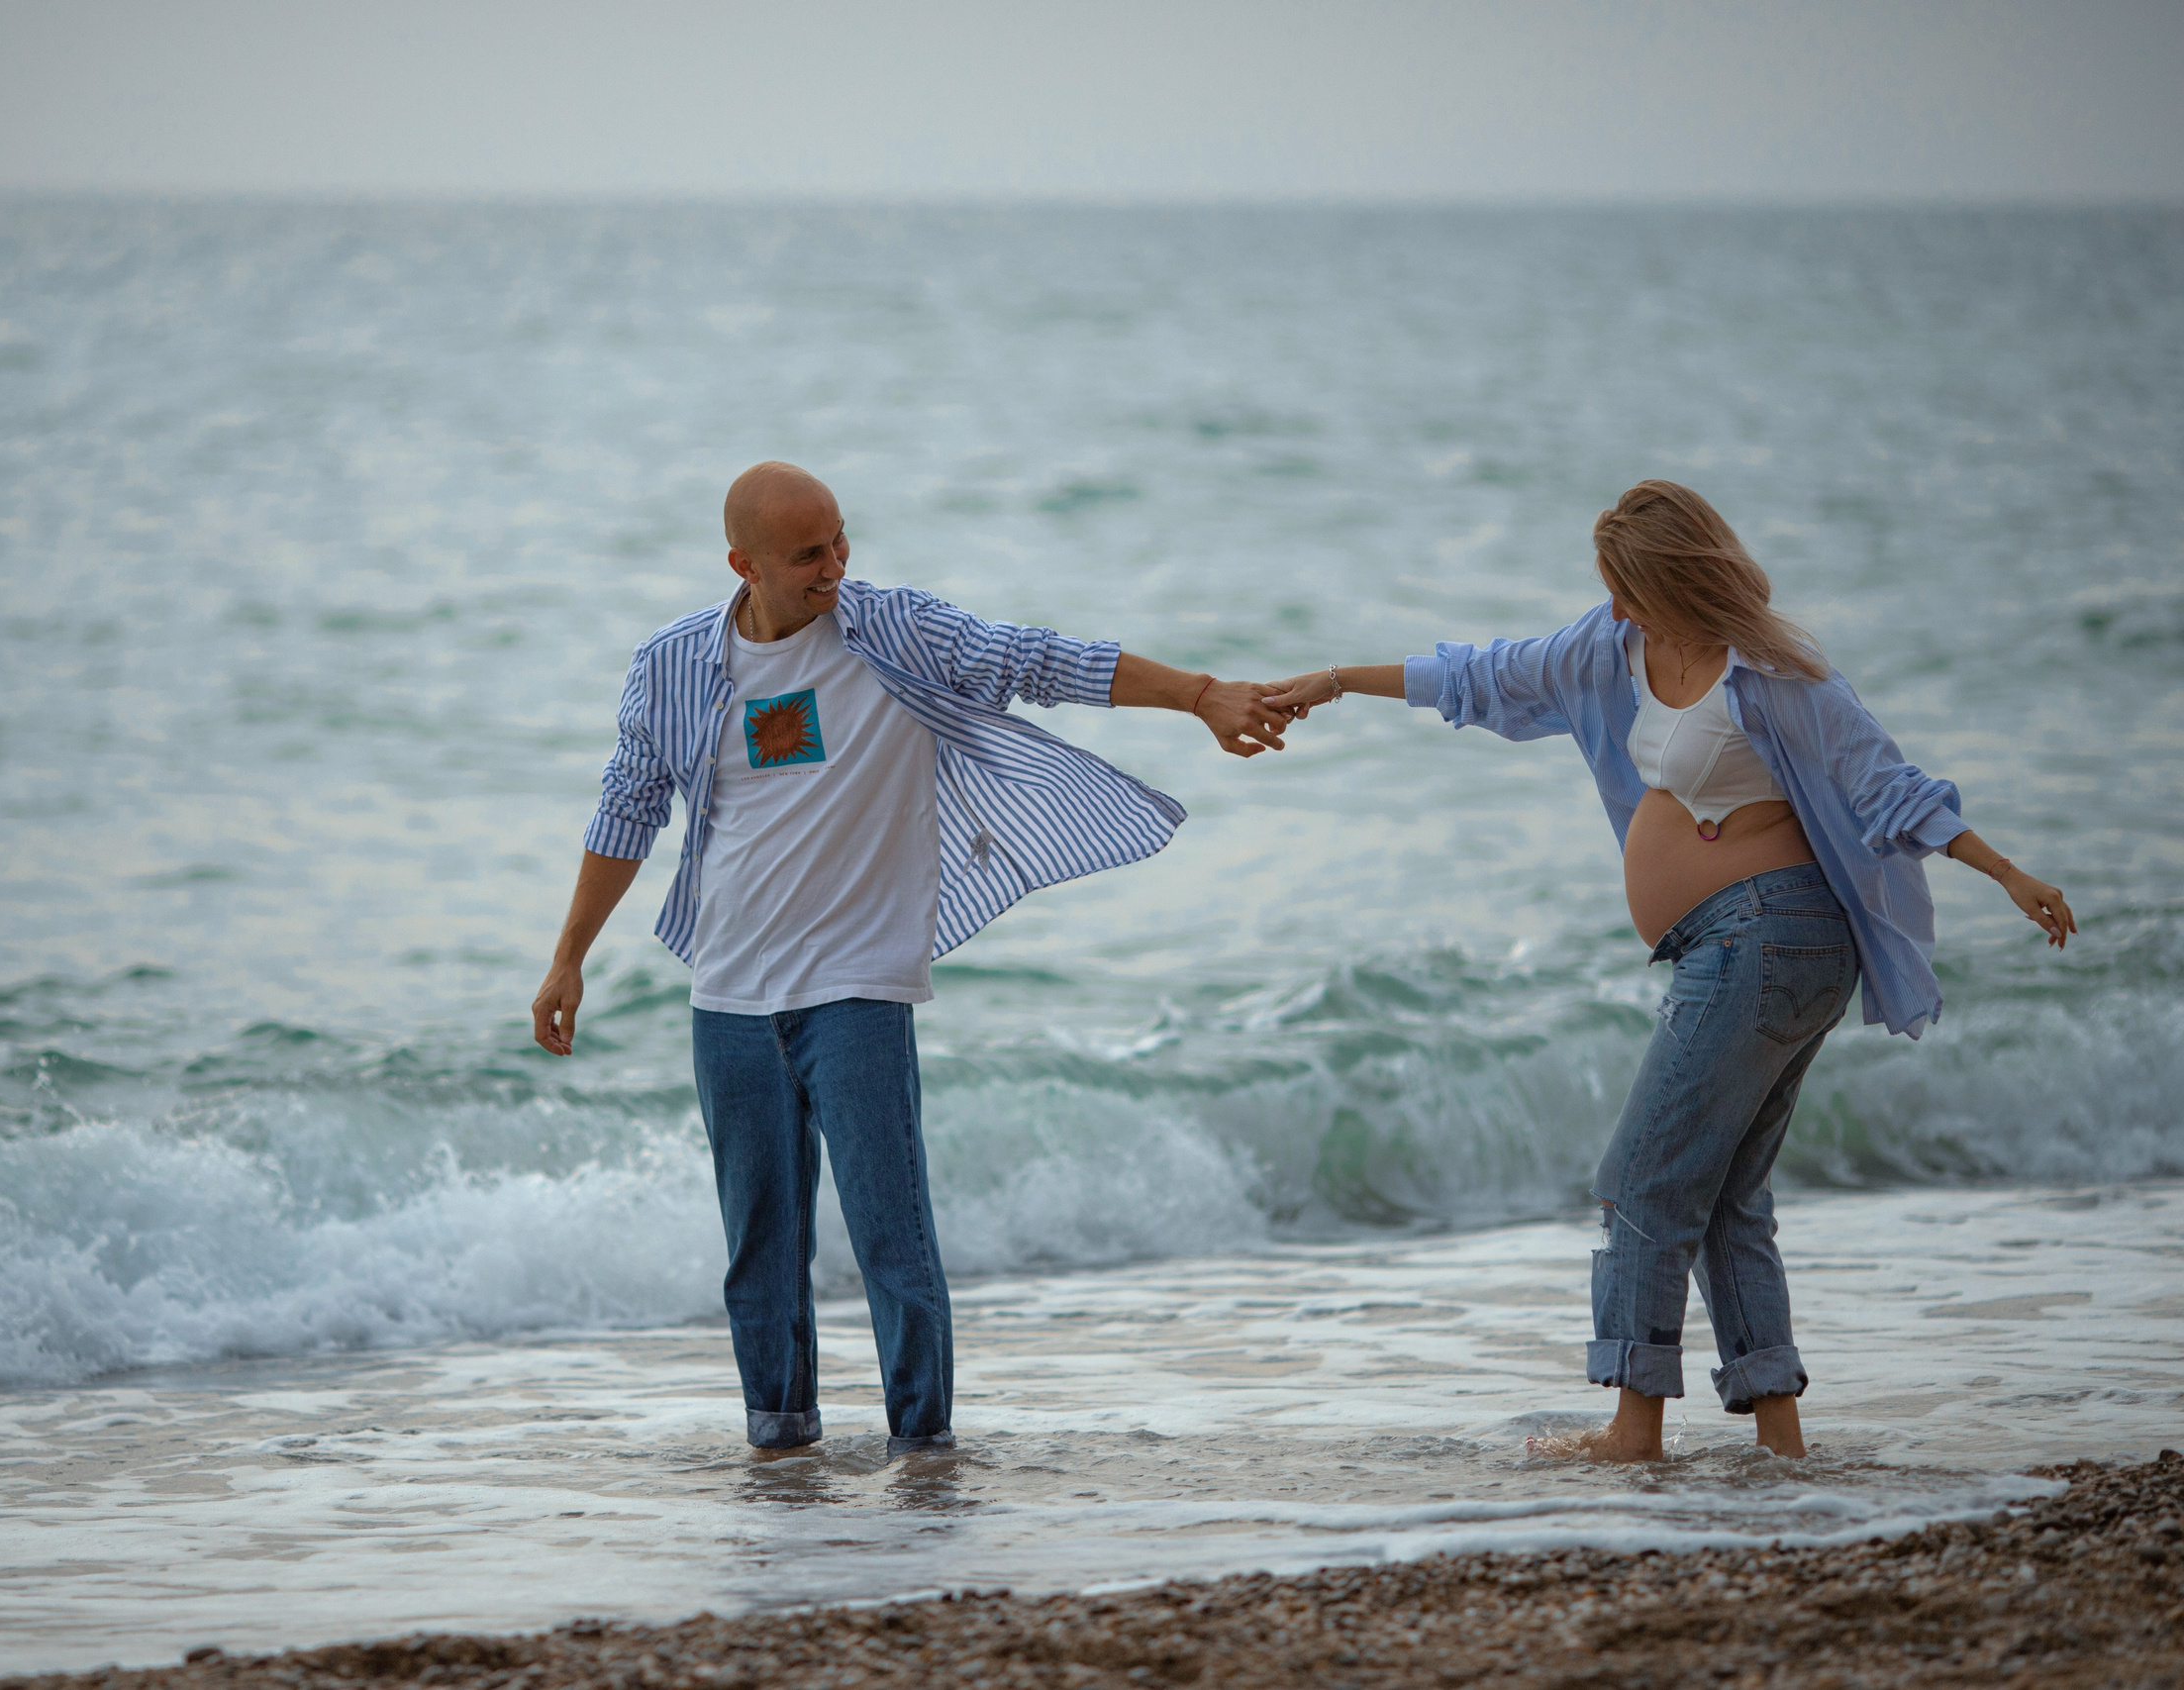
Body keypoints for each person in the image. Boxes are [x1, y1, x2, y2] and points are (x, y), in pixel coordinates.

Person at [1262, 480, 2075, 1462]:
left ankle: (1630, 1427)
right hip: (1739, 948)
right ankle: (1780, 1438)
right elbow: (1481, 673)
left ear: (1673, 583)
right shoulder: (1607, 651)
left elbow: (1884, 784)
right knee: (1726, 1193)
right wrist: (1337, 679)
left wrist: (2006, 872)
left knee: (1640, 1183)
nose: (1611, 607)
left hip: (1771, 941)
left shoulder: (1776, 676)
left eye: (1627, 590)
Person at [532, 461, 1292, 1455]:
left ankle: (922, 1452)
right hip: (727, 995)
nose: (835, 566)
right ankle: (779, 1445)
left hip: (857, 986)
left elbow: (1040, 660)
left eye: (841, 540)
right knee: (759, 1250)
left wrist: (1198, 695)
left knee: (894, 1240)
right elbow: (625, 811)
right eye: (809, 554)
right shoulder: (673, 666)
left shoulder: (895, 630)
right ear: (743, 565)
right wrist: (568, 959)